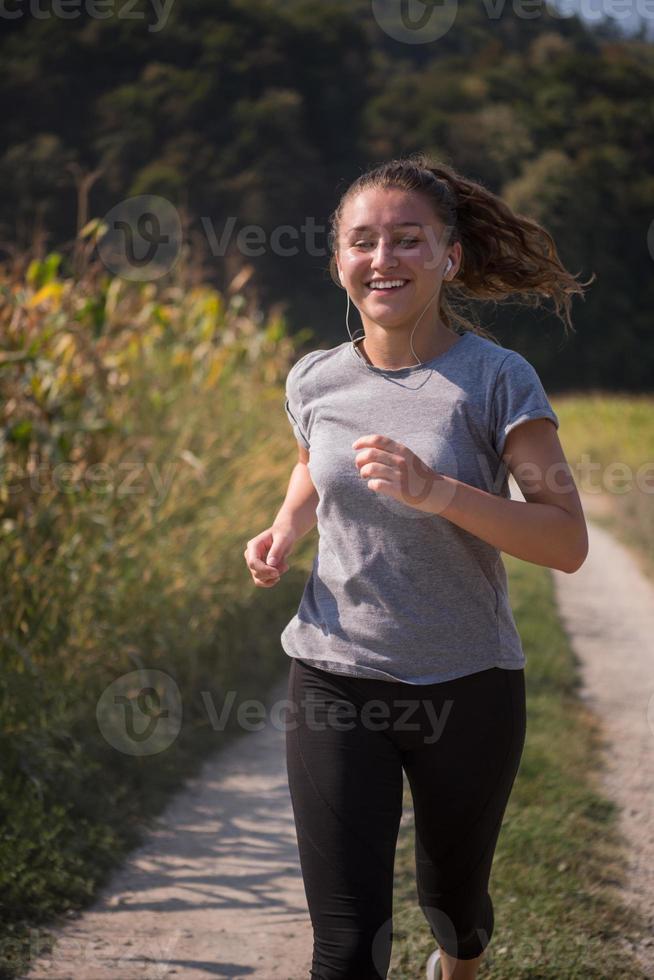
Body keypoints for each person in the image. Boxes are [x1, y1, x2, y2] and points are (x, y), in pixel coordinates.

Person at [244, 154, 591, 980]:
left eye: (408, 240)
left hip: (465, 680)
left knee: (455, 908)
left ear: (450, 257)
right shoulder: (315, 377)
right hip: (334, 672)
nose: (383, 259)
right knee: (344, 942)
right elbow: (313, 464)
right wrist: (286, 525)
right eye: (363, 241)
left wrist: (439, 492)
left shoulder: (498, 379)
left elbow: (566, 540)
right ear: (339, 260)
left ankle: (459, 962)